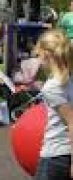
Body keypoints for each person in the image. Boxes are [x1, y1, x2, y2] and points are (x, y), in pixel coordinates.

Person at [33, 29, 73, 180]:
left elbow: (71, 122)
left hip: (55, 156)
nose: (38, 59)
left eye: (38, 54)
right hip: (64, 154)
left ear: (47, 54)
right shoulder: (69, 81)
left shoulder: (52, 86)